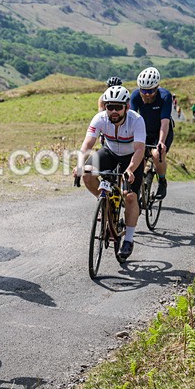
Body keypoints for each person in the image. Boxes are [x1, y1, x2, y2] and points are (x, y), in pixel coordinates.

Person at [74, 86, 146, 261]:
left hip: (131, 157)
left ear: (126, 107)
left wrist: (129, 169)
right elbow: (87, 144)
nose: (113, 111)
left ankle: (128, 239)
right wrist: (79, 165)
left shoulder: (136, 120)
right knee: (87, 174)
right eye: (109, 107)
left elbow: (139, 150)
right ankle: (105, 202)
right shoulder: (100, 119)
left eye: (117, 107)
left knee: (130, 197)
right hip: (110, 152)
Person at [130, 67, 174, 199]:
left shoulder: (165, 96)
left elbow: (164, 122)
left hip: (161, 131)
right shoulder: (135, 96)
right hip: (143, 132)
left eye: (150, 91)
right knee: (138, 160)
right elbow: (131, 118)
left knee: (157, 154)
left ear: (157, 87)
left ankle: (162, 181)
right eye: (143, 90)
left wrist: (160, 142)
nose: (147, 94)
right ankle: (138, 186)